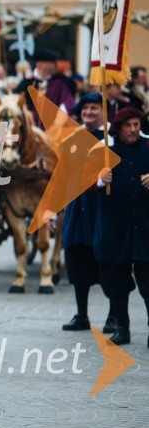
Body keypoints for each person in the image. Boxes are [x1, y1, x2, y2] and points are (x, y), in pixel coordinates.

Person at [60, 93, 117, 333]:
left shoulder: (111, 139)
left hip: (101, 210)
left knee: (108, 264)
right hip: (76, 208)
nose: (89, 113)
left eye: (94, 109)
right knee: (77, 261)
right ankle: (81, 314)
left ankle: (115, 315)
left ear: (102, 112)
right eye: (86, 109)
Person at [94, 107, 149, 346]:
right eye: (129, 125)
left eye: (137, 125)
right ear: (119, 127)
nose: (134, 130)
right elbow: (81, 183)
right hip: (114, 227)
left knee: (148, 283)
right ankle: (122, 327)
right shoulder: (104, 152)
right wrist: (98, 180)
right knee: (116, 282)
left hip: (145, 226)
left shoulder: (147, 148)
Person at [15, 49, 75, 127]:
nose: (56, 66)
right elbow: (17, 103)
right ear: (41, 64)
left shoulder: (60, 82)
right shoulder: (28, 83)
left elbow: (67, 102)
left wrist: (60, 120)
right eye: (53, 63)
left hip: (55, 128)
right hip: (30, 128)